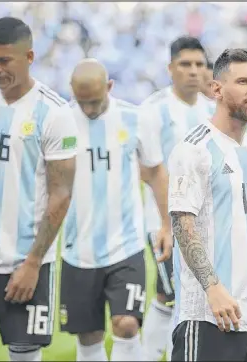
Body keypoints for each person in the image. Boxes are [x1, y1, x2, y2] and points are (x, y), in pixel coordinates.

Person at [0, 17, 78, 362]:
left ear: (29, 57)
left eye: (4, 60)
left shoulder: (53, 113)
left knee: (23, 356)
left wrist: (34, 262)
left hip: (25, 260)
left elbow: (61, 194)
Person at [167, 48, 247, 361]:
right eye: (243, 81)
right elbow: (182, 224)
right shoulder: (194, 149)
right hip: (210, 314)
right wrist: (214, 288)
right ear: (216, 89)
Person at [59, 59, 172, 362]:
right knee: (89, 335)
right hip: (77, 249)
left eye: (96, 102)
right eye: (83, 102)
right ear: (72, 91)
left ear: (109, 87)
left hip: (126, 245)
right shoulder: (59, 121)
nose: (90, 110)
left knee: (126, 324)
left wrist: (167, 225)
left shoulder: (135, 119)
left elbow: (156, 171)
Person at [140, 36, 215, 362]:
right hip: (164, 221)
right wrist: (165, 224)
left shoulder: (213, 109)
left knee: (168, 293)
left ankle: (144, 354)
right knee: (183, 297)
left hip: (206, 219)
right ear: (171, 68)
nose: (194, 71)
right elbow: (148, 170)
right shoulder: (153, 110)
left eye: (199, 64)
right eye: (185, 64)